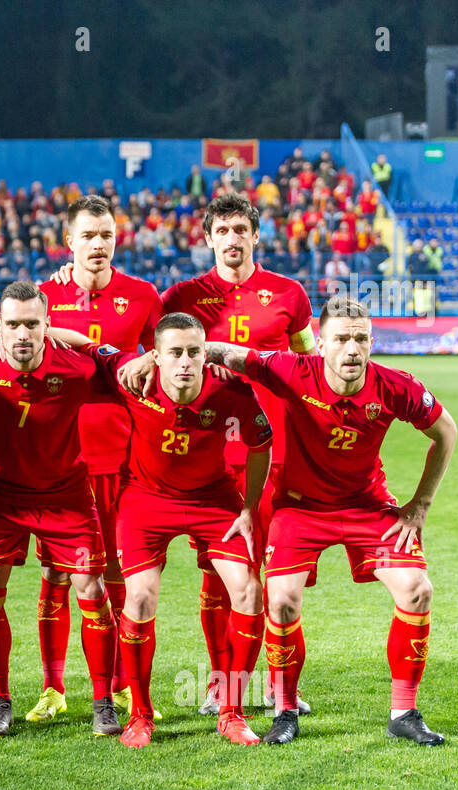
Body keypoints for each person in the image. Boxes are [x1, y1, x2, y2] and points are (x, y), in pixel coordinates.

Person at [128, 296, 457, 746]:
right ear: (320, 345)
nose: (352, 349)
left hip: (367, 505)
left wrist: (420, 506)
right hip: (300, 508)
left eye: (361, 339)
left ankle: (404, 711)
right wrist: (156, 356)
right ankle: (284, 708)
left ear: (371, 343)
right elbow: (226, 351)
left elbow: (446, 431)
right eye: (341, 338)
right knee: (280, 599)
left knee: (418, 589)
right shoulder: (290, 370)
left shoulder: (394, 386)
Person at [0, 281, 123, 738]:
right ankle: (0, 700)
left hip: (67, 498)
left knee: (92, 590)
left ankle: (103, 702)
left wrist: (94, 344)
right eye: (12, 325)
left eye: (32, 325)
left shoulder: (77, 368)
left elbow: (128, 372)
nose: (22, 334)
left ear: (47, 326)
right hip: (2, 498)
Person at [85, 313, 272, 747]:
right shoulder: (133, 381)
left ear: (205, 354)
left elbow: (260, 444)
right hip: (146, 500)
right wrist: (31, 327)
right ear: (157, 356)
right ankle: (140, 715)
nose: (185, 362)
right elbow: (81, 349)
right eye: (175, 353)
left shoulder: (231, 390)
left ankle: (232, 712)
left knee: (248, 591)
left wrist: (247, 508)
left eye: (193, 352)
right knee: (140, 595)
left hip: (212, 498)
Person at [161, 193, 315, 716]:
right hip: (210, 456)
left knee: (279, 573)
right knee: (219, 578)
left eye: (240, 229)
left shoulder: (289, 294)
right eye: (221, 230)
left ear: (255, 235)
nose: (232, 238)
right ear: (208, 238)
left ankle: (277, 684)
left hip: (278, 455)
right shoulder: (182, 297)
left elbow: (311, 368)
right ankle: (222, 682)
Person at [38, 195, 163, 722]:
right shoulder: (44, 295)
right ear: (69, 241)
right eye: (88, 235)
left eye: (107, 234)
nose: (98, 244)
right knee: (56, 574)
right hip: (58, 461)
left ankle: (117, 688)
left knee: (116, 574)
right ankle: (52, 686)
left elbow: (164, 354)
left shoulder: (141, 296)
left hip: (124, 457)